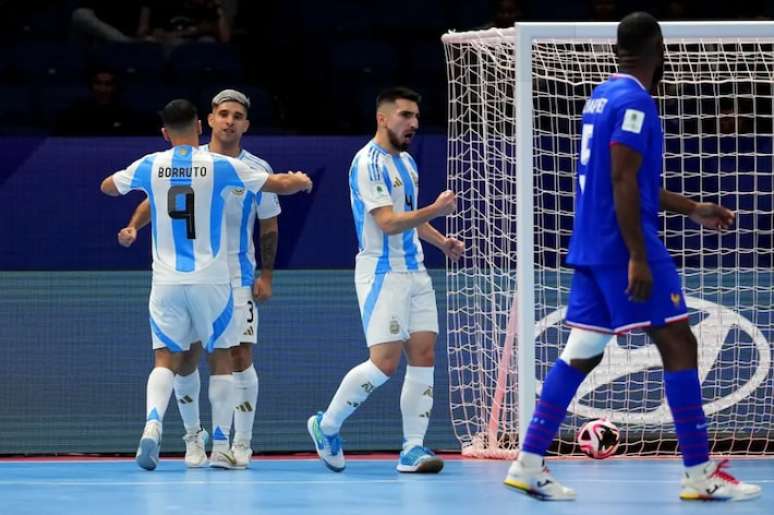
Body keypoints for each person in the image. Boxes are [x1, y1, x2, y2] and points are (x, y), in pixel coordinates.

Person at [502, 12, 761, 501]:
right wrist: (638, 256)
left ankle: (528, 462)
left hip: (591, 243)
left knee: (581, 350)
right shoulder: (635, 101)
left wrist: (692, 209)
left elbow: (628, 179)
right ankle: (700, 474)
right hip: (623, 245)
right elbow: (622, 180)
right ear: (658, 49)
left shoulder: (600, 97)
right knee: (679, 344)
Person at [100, 98, 311, 471]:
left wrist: (266, 274)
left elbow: (111, 187)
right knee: (216, 359)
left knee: (185, 357)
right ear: (205, 122)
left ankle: (199, 434)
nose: (229, 122)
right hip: (213, 279)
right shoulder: (221, 166)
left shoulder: (155, 163)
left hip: (202, 277)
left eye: (238, 116)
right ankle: (206, 441)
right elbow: (280, 185)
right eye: (223, 114)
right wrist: (300, 181)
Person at [307, 86, 464, 473]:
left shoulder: (407, 163)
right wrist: (438, 208)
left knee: (424, 356)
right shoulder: (367, 163)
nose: (412, 123)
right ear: (382, 117)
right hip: (382, 272)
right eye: (404, 115)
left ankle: (413, 448)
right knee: (384, 364)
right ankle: (326, 426)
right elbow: (388, 222)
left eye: (415, 117)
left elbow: (410, 218)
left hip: (416, 272)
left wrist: (441, 241)